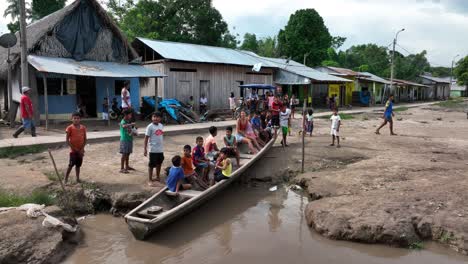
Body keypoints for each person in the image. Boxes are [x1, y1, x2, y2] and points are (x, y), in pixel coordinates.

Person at [65, 112, 87, 184]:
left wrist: (81, 149)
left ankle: (77, 178)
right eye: (74, 118)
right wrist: (74, 148)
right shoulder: (69, 128)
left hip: (80, 151)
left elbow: (85, 139)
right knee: (71, 165)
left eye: (78, 118)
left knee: (78, 165)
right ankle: (66, 179)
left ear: (80, 119)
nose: (76, 120)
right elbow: (67, 140)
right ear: (72, 119)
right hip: (73, 151)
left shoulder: (83, 128)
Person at [144, 112, 164, 185]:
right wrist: (145, 149)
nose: (155, 118)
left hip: (160, 149)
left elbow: (160, 136)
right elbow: (146, 138)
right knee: (151, 165)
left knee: (159, 163)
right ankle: (150, 179)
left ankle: (157, 176)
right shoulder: (150, 127)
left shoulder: (161, 126)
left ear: (160, 118)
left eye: (157, 117)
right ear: (152, 118)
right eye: (154, 116)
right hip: (153, 149)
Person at [119, 110, 135, 174]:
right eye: (130, 115)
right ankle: (122, 168)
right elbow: (124, 126)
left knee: (128, 153)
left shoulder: (128, 121)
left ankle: (127, 166)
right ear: (126, 115)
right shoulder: (123, 121)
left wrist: (134, 131)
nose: (131, 116)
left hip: (129, 139)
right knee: (124, 154)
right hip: (124, 140)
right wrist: (131, 124)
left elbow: (129, 130)